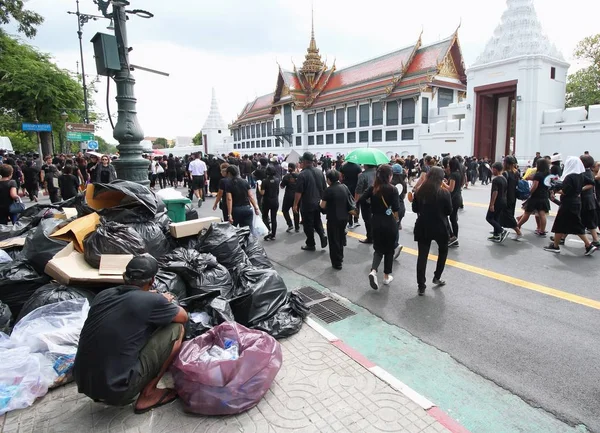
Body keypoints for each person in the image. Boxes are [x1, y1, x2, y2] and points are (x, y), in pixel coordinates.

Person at [74, 255, 188, 413]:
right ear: (153, 280)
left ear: (124, 276)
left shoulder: (103, 295)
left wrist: (152, 298)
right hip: (118, 391)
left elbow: (131, 306)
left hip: (85, 384)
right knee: (176, 329)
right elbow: (183, 316)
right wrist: (161, 300)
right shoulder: (151, 301)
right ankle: (148, 394)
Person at [544, 157, 598, 256]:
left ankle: (588, 245)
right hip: (577, 202)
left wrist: (554, 189)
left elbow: (564, 192)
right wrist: (579, 190)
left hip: (568, 203)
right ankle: (556, 245)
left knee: (564, 224)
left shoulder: (569, 177)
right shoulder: (581, 175)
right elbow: (592, 182)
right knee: (567, 225)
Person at [412, 166, 451, 296]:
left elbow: (415, 209)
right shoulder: (444, 193)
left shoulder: (419, 191)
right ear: (441, 178)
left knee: (422, 256)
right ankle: (437, 277)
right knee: (443, 251)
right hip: (440, 226)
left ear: (428, 176)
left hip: (423, 226)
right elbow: (449, 211)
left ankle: (421, 285)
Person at [361, 165, 400, 290]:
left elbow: (362, 199)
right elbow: (396, 208)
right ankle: (386, 277)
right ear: (389, 176)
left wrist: (372, 205)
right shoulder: (393, 189)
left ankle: (373, 271)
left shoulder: (373, 188)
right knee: (389, 250)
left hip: (376, 221)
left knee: (378, 249)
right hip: (389, 222)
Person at [320, 169, 355, 270]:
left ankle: (337, 262)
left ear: (329, 179)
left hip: (333, 218)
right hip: (344, 218)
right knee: (340, 238)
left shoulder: (329, 190)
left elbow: (322, 206)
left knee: (334, 240)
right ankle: (341, 257)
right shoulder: (344, 187)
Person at [294, 153, 327, 251]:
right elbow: (324, 188)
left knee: (308, 224)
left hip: (307, 203)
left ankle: (310, 243)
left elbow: (298, 192)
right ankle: (322, 234)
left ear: (304, 162)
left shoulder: (302, 174)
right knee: (317, 221)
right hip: (318, 202)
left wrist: (295, 204)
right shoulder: (319, 172)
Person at [517, 158, 551, 236]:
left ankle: (518, 226)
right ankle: (542, 230)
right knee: (542, 214)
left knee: (527, 213)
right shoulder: (548, 174)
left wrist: (529, 193)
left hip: (536, 196)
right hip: (544, 195)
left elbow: (535, 186)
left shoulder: (538, 174)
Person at [486, 162, 510, 243]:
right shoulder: (504, 178)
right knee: (496, 218)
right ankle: (496, 235)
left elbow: (495, 192)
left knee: (489, 218)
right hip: (503, 201)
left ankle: (501, 231)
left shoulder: (496, 180)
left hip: (497, 201)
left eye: (493, 169)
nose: (492, 170)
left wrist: (492, 204)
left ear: (495, 169)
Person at [579, 154, 600, 246]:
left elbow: (590, 184)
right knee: (587, 221)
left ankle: (595, 241)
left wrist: (579, 189)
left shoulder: (583, 173)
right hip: (590, 201)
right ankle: (561, 237)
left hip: (585, 201)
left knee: (576, 220)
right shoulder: (590, 173)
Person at [501, 157, 523, 238]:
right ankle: (498, 229)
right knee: (506, 213)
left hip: (506, 196)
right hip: (513, 196)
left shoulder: (505, 173)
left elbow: (503, 186)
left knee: (507, 214)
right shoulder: (516, 172)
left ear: (506, 163)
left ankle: (517, 230)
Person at [355, 164, 377, 244]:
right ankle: (375, 236)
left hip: (366, 200)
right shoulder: (378, 173)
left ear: (366, 165)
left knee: (367, 219)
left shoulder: (363, 175)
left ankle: (370, 237)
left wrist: (356, 201)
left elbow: (358, 189)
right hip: (377, 199)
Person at [445, 157, 463, 247]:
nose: (447, 166)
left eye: (449, 164)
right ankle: (455, 237)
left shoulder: (453, 175)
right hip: (458, 198)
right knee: (453, 219)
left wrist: (443, 183)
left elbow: (450, 189)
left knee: (445, 217)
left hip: (452, 199)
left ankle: (452, 237)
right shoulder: (459, 173)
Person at [259, 166, 280, 241]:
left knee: (265, 217)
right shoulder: (277, 180)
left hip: (267, 201)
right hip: (275, 200)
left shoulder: (264, 181)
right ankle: (273, 234)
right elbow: (277, 191)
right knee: (274, 218)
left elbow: (262, 192)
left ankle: (268, 231)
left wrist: (259, 186)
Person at [340, 161, 362, 229]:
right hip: (356, 188)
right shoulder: (358, 166)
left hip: (346, 188)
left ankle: (350, 222)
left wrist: (343, 182)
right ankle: (356, 221)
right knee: (356, 203)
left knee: (348, 203)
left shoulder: (343, 166)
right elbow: (360, 178)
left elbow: (340, 177)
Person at [280, 162, 300, 233]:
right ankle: (297, 227)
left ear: (289, 168)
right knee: (296, 211)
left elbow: (282, 186)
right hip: (297, 196)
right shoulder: (299, 175)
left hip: (288, 196)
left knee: (285, 210)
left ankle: (290, 224)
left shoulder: (286, 176)